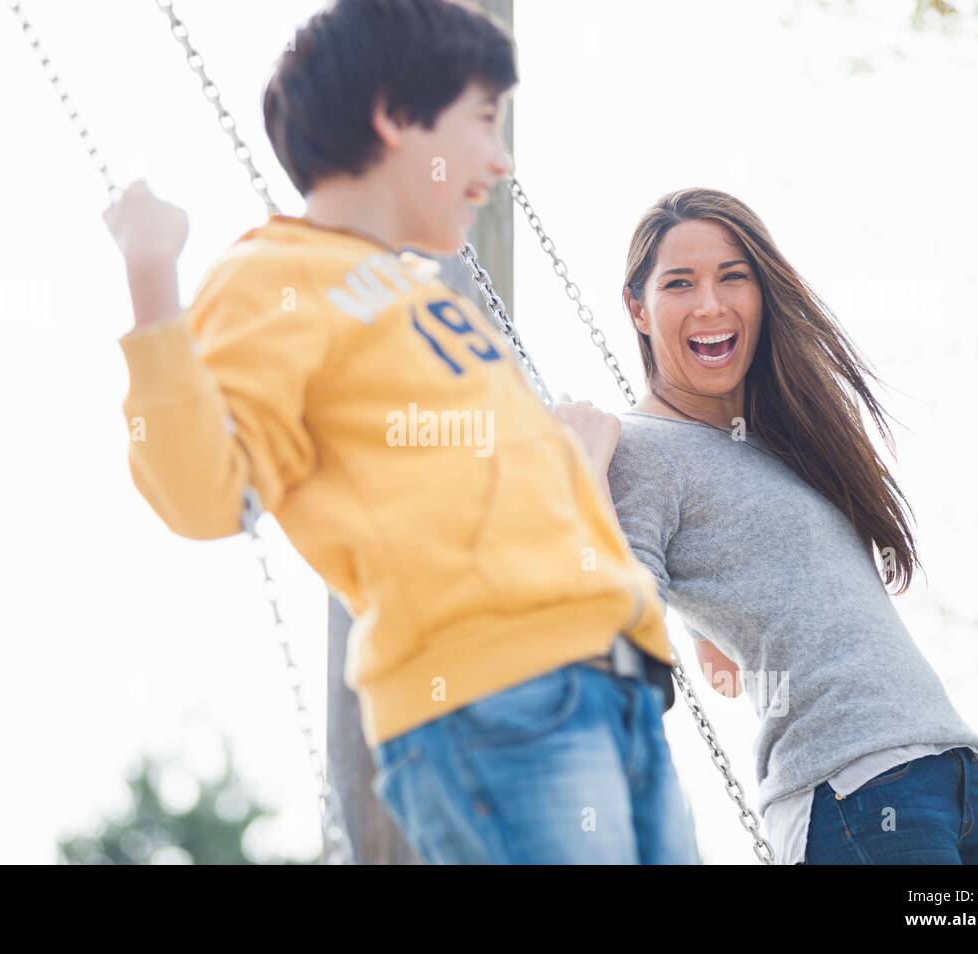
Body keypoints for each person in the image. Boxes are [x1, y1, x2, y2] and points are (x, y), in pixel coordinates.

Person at [102, 0, 697, 864]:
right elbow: (207, 495)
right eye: (485, 119)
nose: (501, 157)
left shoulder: (422, 293)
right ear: (393, 115)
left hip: (617, 682)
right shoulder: (273, 277)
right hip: (495, 694)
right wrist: (153, 281)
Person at [572, 186, 978, 864]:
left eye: (733, 276)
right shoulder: (638, 452)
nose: (711, 304)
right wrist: (581, 475)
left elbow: (742, 599)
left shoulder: (775, 442)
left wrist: (712, 625)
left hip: (952, 776)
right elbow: (612, 621)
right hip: (856, 797)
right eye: (680, 283)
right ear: (637, 308)